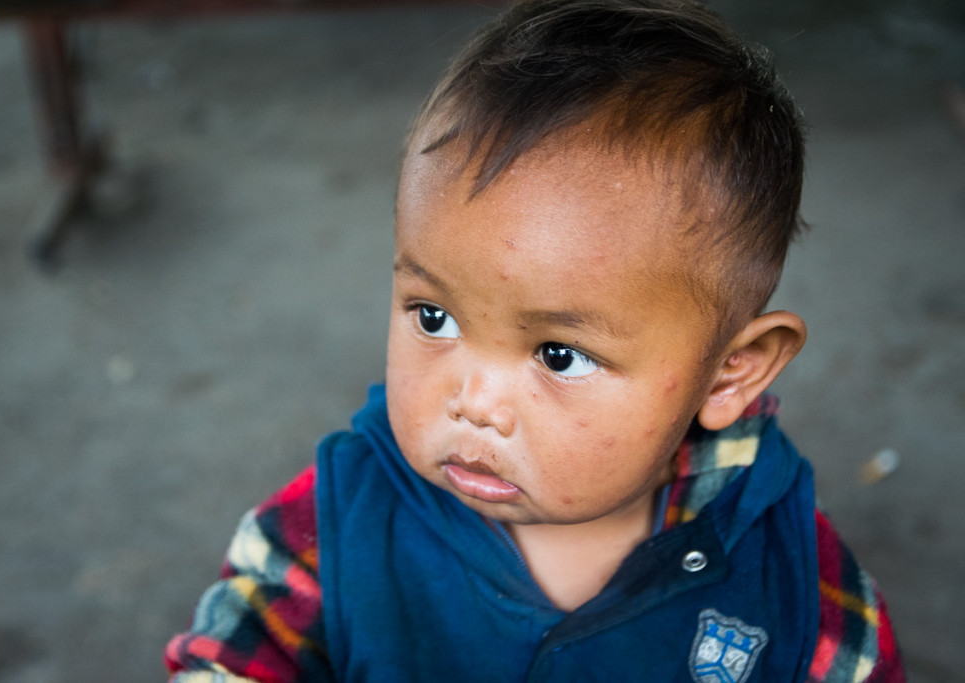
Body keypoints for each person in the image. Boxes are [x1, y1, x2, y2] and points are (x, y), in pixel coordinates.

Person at [165, 1, 904, 680]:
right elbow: (228, 653)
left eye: (560, 355)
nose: (474, 402)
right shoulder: (336, 522)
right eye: (433, 317)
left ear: (728, 373)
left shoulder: (790, 578)